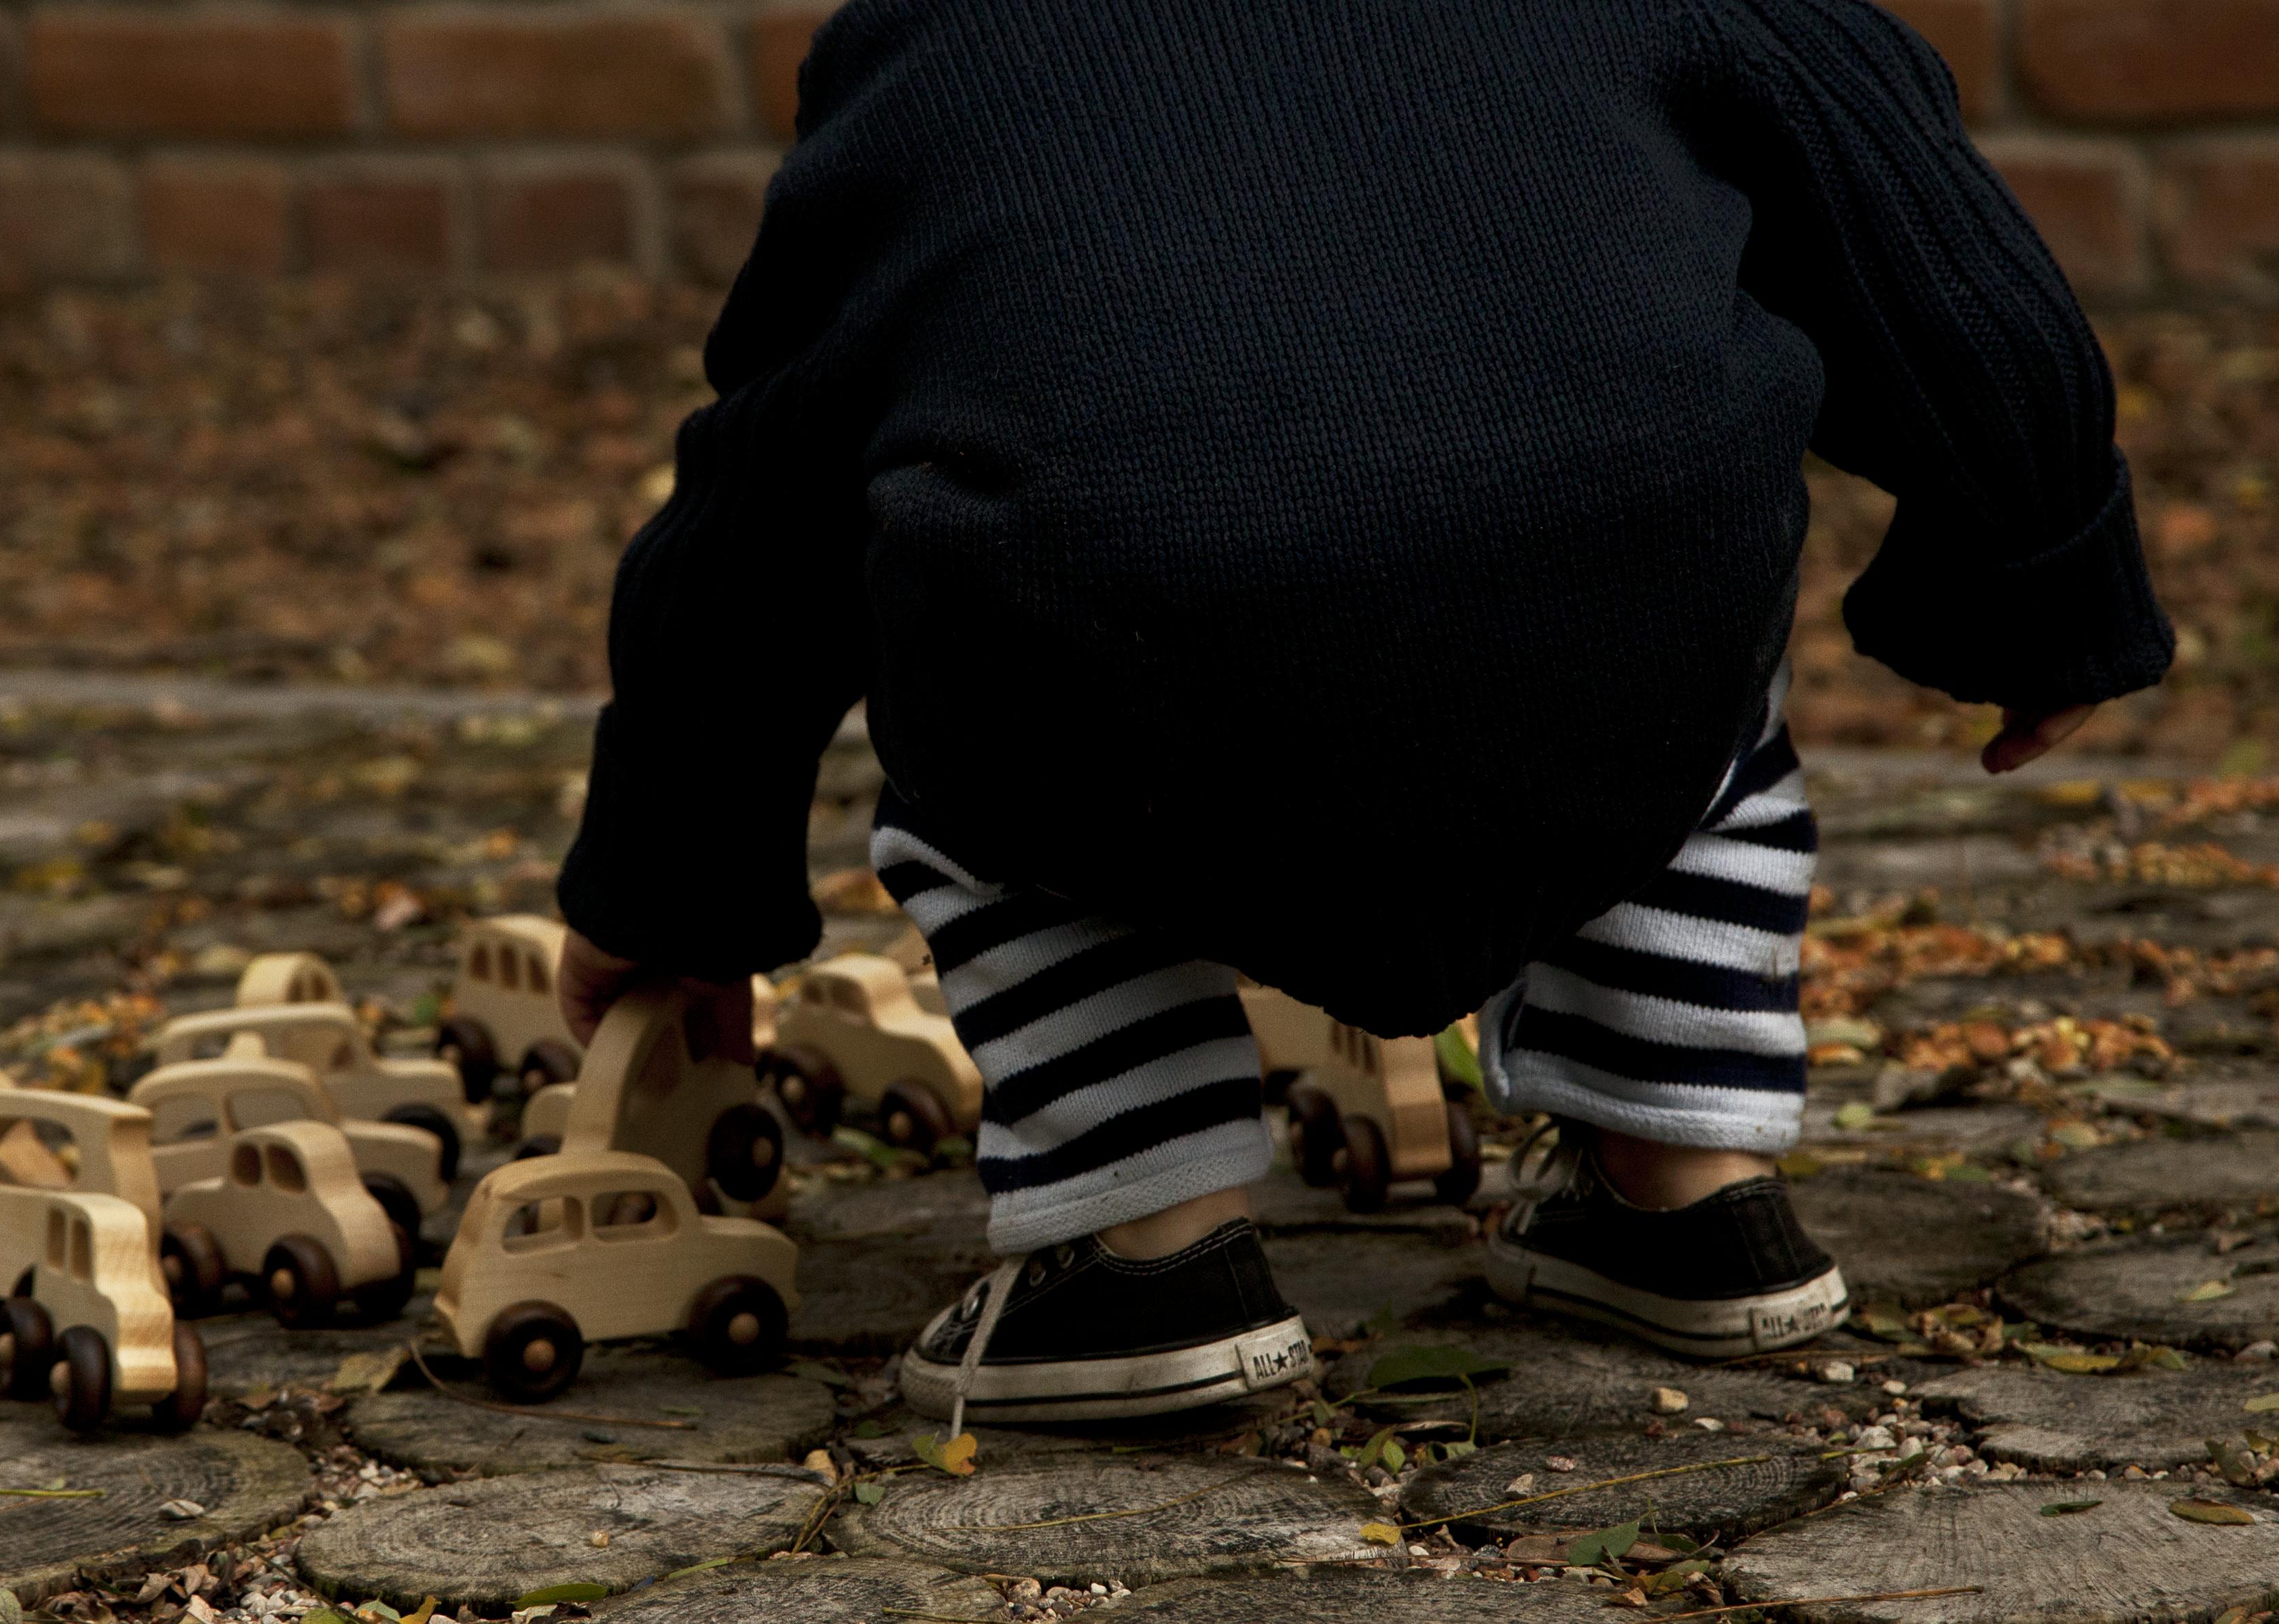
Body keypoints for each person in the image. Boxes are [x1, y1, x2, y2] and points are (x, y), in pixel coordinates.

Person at [554, 0, 2172, 1426]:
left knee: (993, 712)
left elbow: (763, 492)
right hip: (1607, 632)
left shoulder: (925, 39)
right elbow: (1937, 253)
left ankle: (1142, 1250)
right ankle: (1687, 1190)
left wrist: (670, 878)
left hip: (1122, 665)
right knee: (1688, 672)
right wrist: (2041, 583)